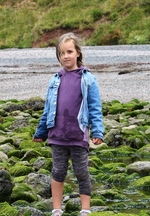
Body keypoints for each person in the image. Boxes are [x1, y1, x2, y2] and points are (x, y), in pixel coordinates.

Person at [33, 32, 105, 216]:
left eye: (69, 51)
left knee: (81, 172)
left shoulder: (87, 79)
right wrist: (41, 132)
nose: (66, 56)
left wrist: (98, 131)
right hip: (57, 135)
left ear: (78, 53)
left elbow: (95, 107)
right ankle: (57, 209)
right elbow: (48, 108)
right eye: (62, 53)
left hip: (78, 134)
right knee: (58, 171)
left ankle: (85, 210)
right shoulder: (55, 79)